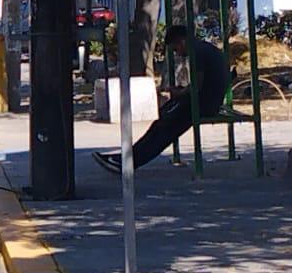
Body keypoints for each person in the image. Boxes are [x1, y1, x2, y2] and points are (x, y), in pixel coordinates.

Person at [95, 24, 229, 173]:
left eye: (176, 49)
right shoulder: (204, 48)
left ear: (181, 41)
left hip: (203, 105)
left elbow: (196, 87)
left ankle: (129, 161)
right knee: (161, 122)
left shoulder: (197, 52)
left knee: (164, 127)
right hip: (207, 101)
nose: (177, 53)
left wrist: (180, 93)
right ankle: (126, 158)